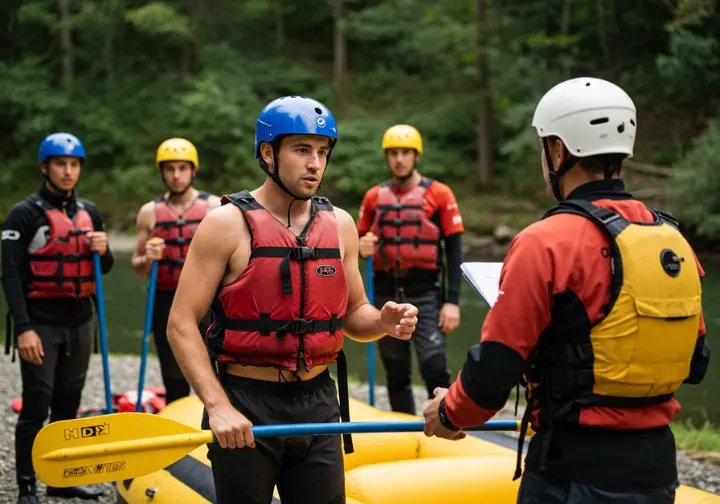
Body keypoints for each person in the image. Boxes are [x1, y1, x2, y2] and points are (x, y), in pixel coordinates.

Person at [423, 77, 711, 503]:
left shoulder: (546, 241)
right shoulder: (672, 239)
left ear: (558, 150)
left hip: (572, 474)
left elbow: (493, 372)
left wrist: (448, 412)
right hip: (657, 471)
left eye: (544, 147)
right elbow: (695, 363)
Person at [166, 96, 419, 504]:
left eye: (322, 151)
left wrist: (383, 323)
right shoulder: (224, 226)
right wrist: (218, 406)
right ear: (268, 153)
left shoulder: (340, 225)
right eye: (302, 150)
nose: (315, 163)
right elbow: (180, 323)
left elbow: (355, 314)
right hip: (245, 402)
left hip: (319, 402)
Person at [1, 132, 114, 503]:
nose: (68, 171)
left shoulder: (90, 213)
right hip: (42, 323)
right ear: (45, 167)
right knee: (36, 404)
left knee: (68, 404)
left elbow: (104, 267)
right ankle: (26, 486)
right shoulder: (24, 213)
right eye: (61, 164)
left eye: (74, 164)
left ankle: (61, 480)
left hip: (80, 322)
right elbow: (11, 275)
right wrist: (24, 330)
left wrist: (105, 249)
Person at [356, 124, 465, 415]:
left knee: (434, 365)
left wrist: (452, 301)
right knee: (395, 369)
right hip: (385, 289)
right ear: (387, 157)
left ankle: (445, 421)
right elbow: (356, 241)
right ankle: (405, 426)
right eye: (393, 153)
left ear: (416, 156)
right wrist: (361, 246)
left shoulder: (439, 194)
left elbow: (454, 252)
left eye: (405, 153)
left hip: (425, 290)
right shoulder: (373, 197)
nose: (399, 159)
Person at [130, 138, 221, 405]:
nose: (177, 175)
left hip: (209, 300)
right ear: (162, 172)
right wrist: (148, 257)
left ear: (193, 170)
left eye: (183, 168)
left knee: (216, 371)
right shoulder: (149, 213)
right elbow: (138, 268)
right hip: (166, 302)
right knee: (174, 373)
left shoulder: (214, 207)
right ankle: (177, 432)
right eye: (170, 169)